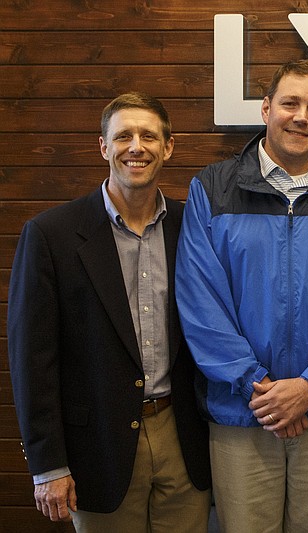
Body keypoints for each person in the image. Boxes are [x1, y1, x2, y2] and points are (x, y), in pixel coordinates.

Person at [175, 59, 308, 533]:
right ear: (266, 108)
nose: (301, 117)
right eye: (290, 103)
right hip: (243, 412)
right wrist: (260, 387)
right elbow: (200, 300)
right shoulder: (212, 188)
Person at [7, 92, 212, 532]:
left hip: (183, 437)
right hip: (96, 445)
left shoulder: (193, 226)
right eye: (123, 136)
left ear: (168, 147)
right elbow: (32, 361)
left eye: (148, 136)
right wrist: (48, 465)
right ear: (104, 147)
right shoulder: (50, 235)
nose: (136, 146)